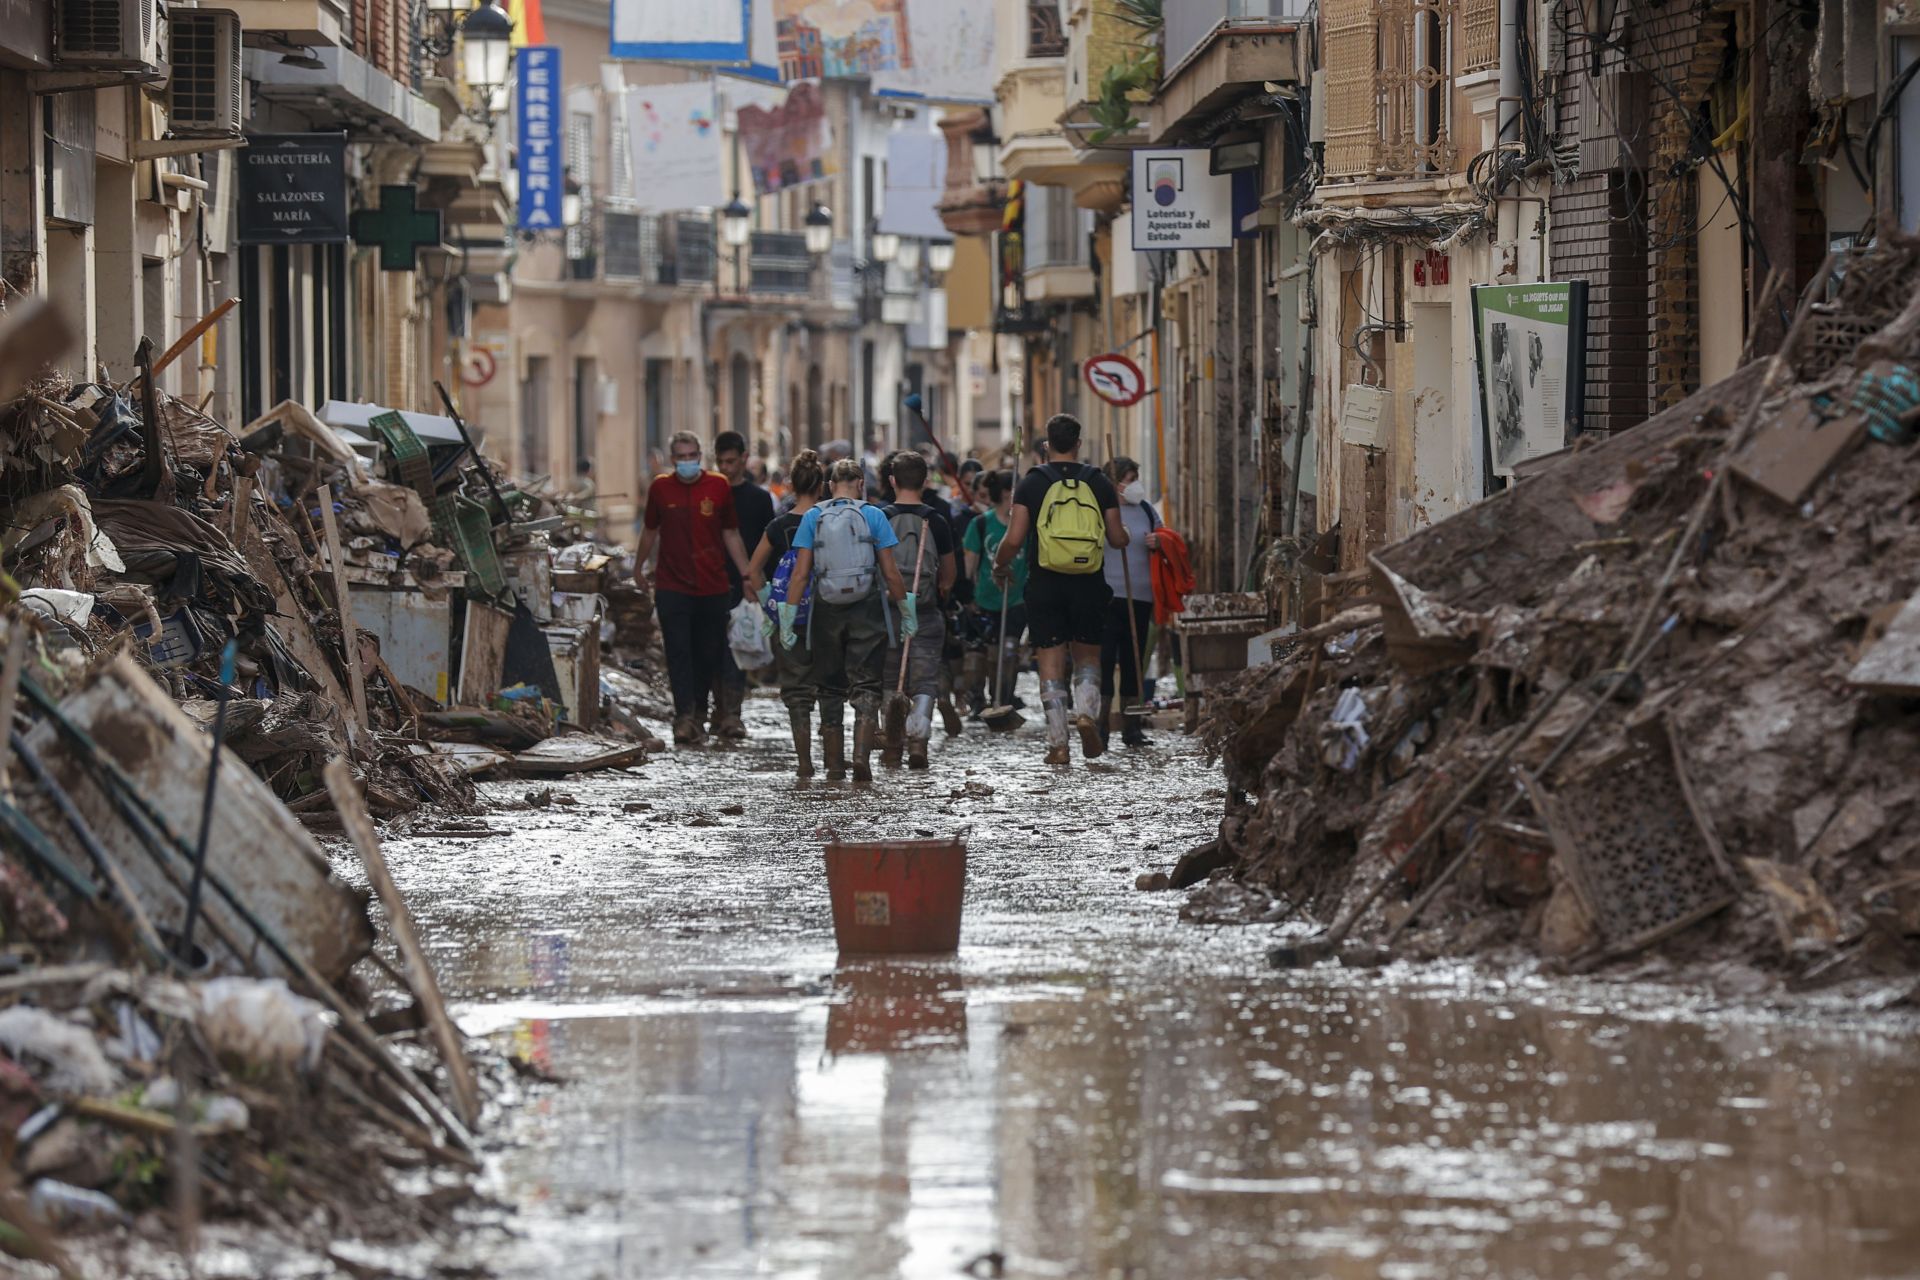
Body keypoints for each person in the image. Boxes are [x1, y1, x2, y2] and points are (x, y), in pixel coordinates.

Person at [991, 414, 1128, 765]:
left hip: (1046, 582)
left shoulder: (1032, 483)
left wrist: (999, 563)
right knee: (1088, 657)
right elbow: (1116, 538)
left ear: (1047, 445)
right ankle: (1085, 713)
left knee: (1050, 663)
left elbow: (1014, 539)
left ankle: (1059, 744)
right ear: (1079, 443)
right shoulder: (1099, 482)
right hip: (1089, 582)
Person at [781, 459, 910, 782]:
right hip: (867, 606)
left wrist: (787, 618)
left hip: (826, 607)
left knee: (829, 684)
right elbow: (891, 572)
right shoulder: (874, 515)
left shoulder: (813, 517)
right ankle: (861, 756)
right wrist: (906, 612)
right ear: (861, 483)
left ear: (829, 485)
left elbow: (800, 574)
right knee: (867, 681)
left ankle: (835, 764)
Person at [635, 431, 753, 746]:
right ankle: (684, 717)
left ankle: (701, 712)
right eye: (681, 457)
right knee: (677, 652)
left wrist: (747, 574)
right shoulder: (661, 488)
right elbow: (650, 531)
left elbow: (730, 533)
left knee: (707, 653)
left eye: (692, 456)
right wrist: (638, 567)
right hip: (672, 584)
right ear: (673, 460)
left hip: (712, 586)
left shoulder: (718, 487)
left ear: (700, 456)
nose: (687, 462)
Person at [746, 449, 825, 777]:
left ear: (792, 484)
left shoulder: (778, 526)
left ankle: (804, 760)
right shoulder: (827, 521)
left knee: (795, 689)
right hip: (827, 615)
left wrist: (770, 604)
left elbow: (753, 571)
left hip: (788, 619)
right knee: (830, 687)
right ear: (821, 486)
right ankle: (836, 761)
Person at [878, 451, 957, 769]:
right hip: (925, 611)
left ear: (892, 481)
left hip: (887, 612)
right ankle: (919, 743)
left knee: (888, 680)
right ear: (926, 481)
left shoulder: (880, 517)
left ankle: (892, 745)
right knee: (924, 681)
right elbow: (950, 575)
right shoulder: (936, 519)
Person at [711, 431, 776, 741]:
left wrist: (763, 583)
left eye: (731, 461)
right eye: (721, 462)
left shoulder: (759, 499)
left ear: (743, 458)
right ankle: (717, 709)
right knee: (712, 647)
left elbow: (770, 542)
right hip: (710, 580)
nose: (726, 468)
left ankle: (731, 713)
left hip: (745, 584)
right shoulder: (709, 495)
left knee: (737, 647)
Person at [1099, 456, 1161, 749]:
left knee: (1133, 661)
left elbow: (1165, 539)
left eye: (1136, 477)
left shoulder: (1147, 511)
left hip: (1141, 597)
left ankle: (1131, 728)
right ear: (1114, 483)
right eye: (1128, 478)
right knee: (1105, 660)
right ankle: (1100, 725)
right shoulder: (1100, 511)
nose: (1134, 484)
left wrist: (1159, 543)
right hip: (1108, 597)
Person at [962, 467, 1027, 716]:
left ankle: (1003, 699)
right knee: (985, 654)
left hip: (1017, 599)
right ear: (1007, 494)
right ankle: (978, 701)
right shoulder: (980, 524)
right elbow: (969, 564)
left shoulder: (1024, 525)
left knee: (1009, 653)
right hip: (986, 599)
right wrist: (967, 598)